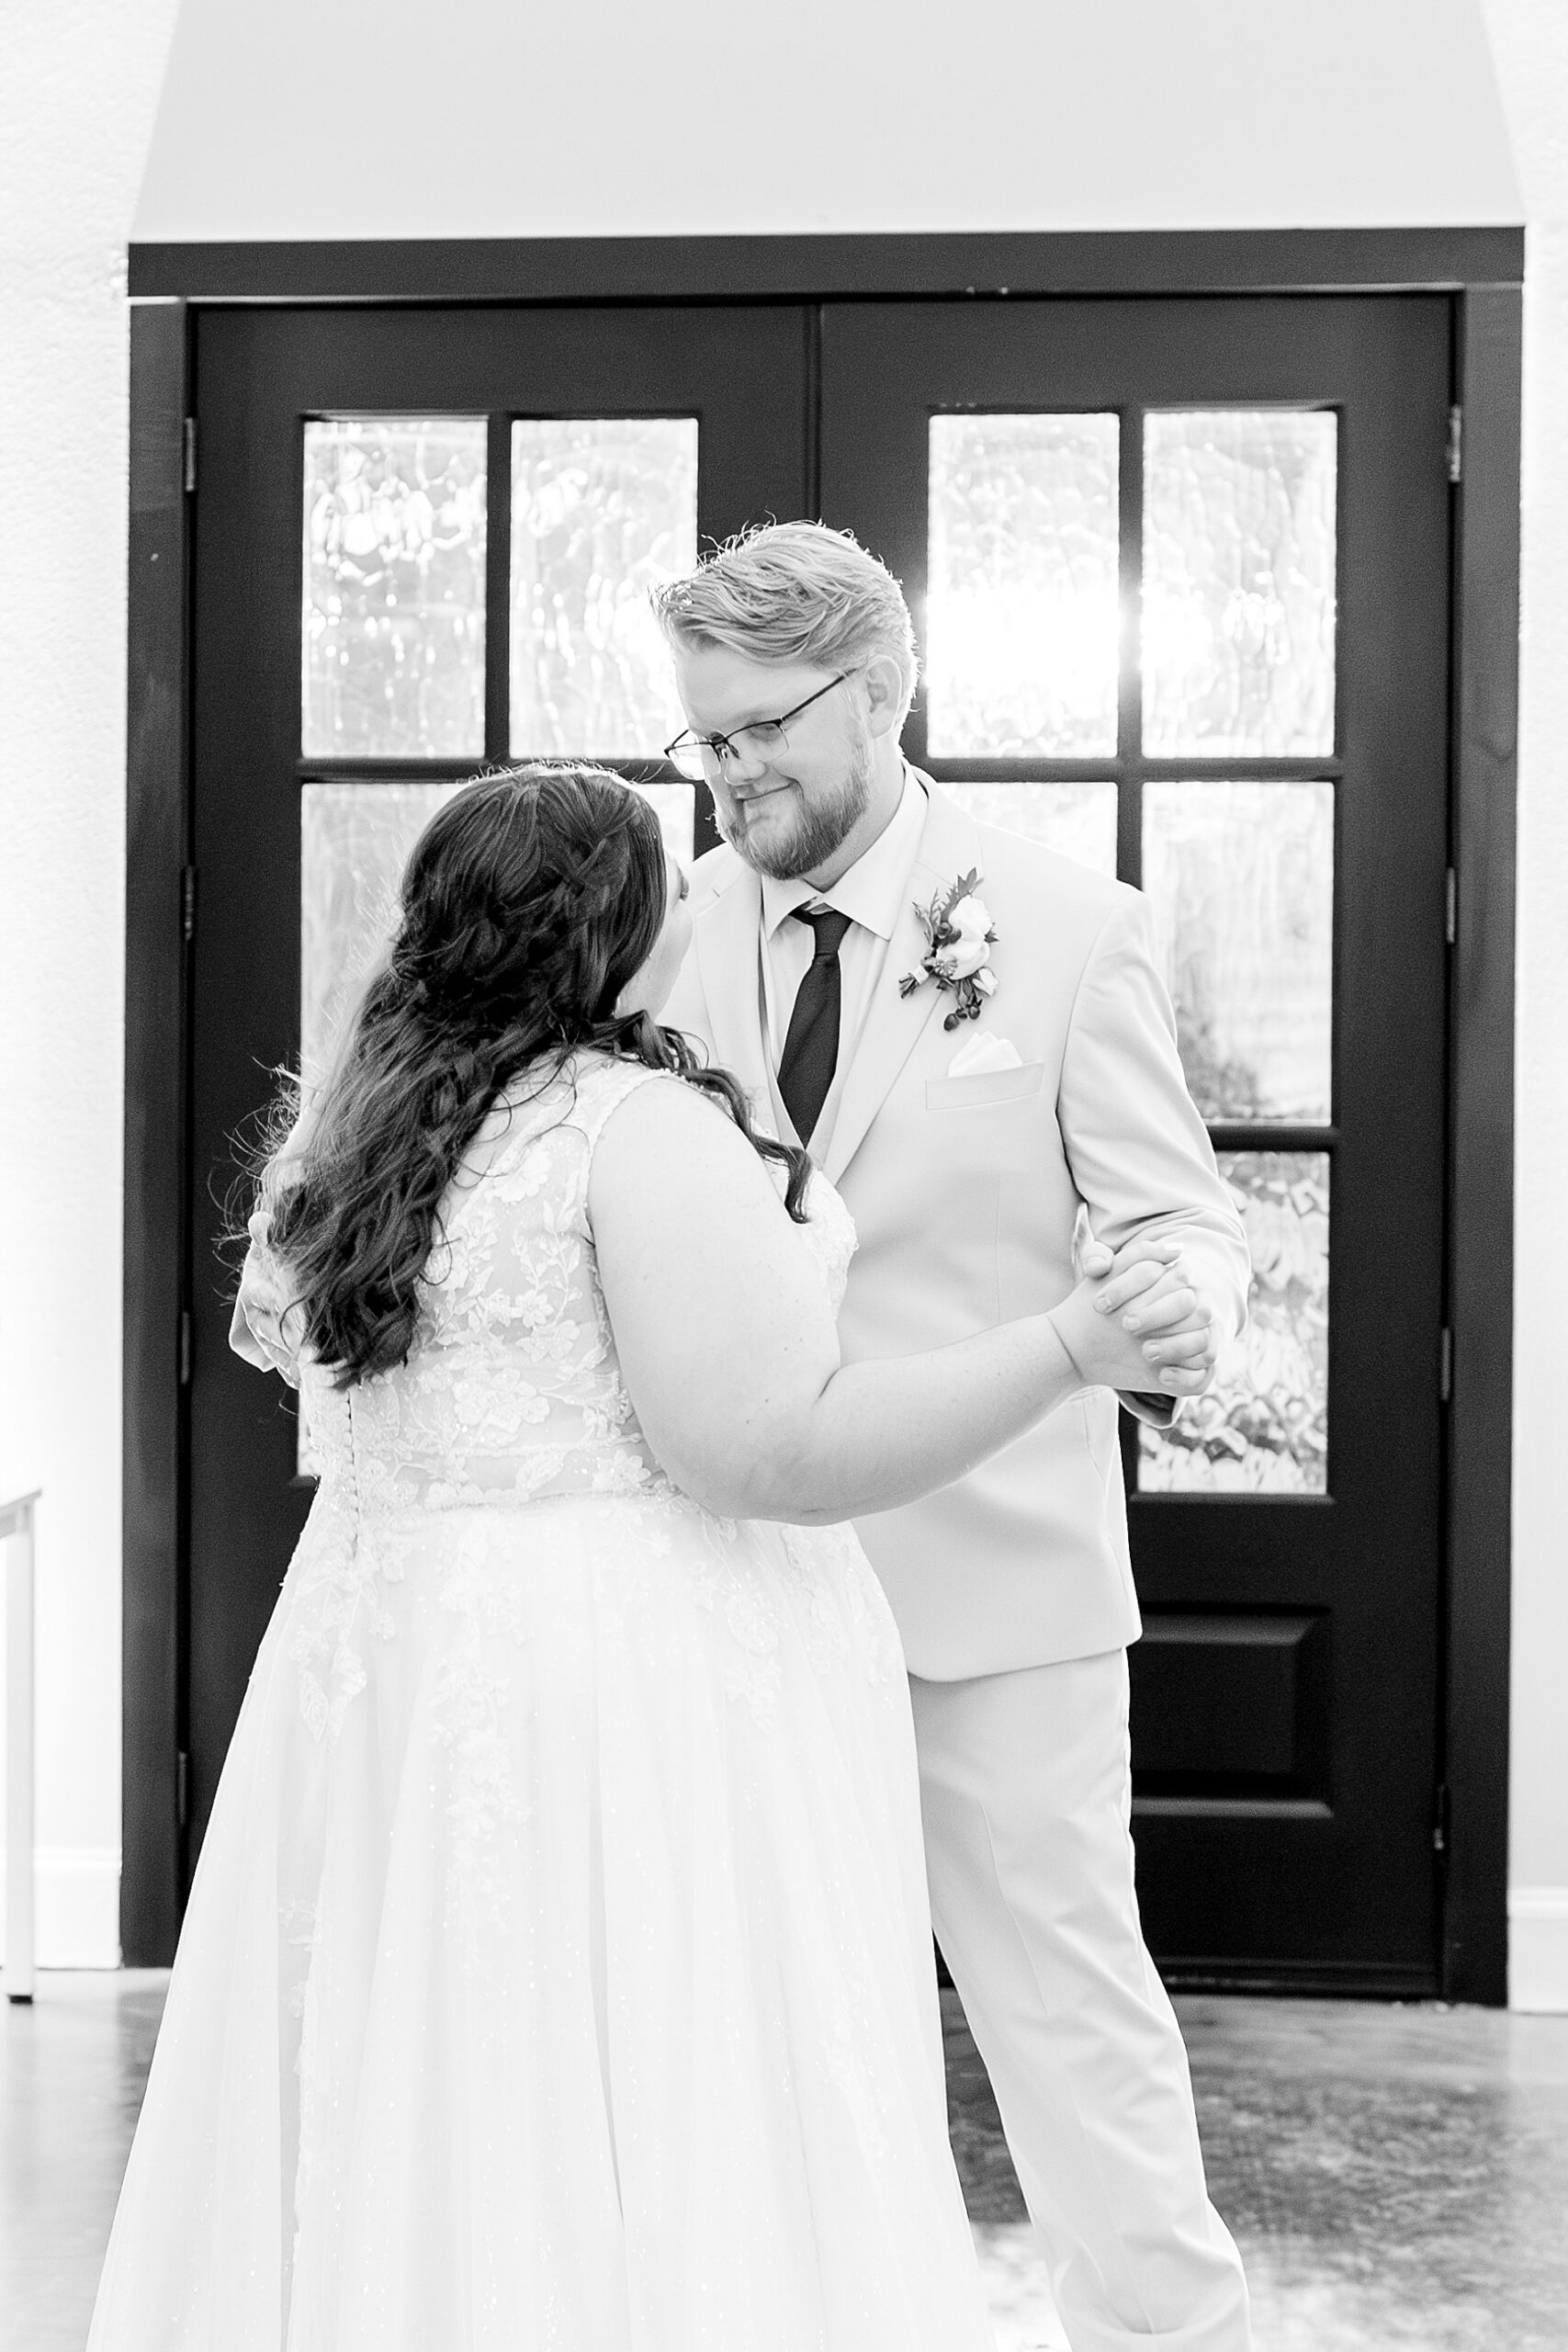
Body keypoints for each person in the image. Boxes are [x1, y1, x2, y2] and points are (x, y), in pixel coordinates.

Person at [86, 763, 1215, 2352]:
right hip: (611, 1688)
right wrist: (1072, 1344)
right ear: (618, 934)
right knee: (649, 2080)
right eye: (668, 883)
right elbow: (766, 1453)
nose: (706, 890)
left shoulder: (357, 1129)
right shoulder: (632, 1129)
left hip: (394, 1666)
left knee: (428, 2063)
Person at [654, 522, 1256, 2352]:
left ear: (879, 692)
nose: (727, 772)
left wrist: (1172, 1323)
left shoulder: (1069, 924)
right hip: (732, 1588)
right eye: (701, 740)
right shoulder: (669, 929)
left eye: (755, 729)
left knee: (1067, 2020)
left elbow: (1173, 1221)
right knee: (747, 2033)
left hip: (996, 1585)